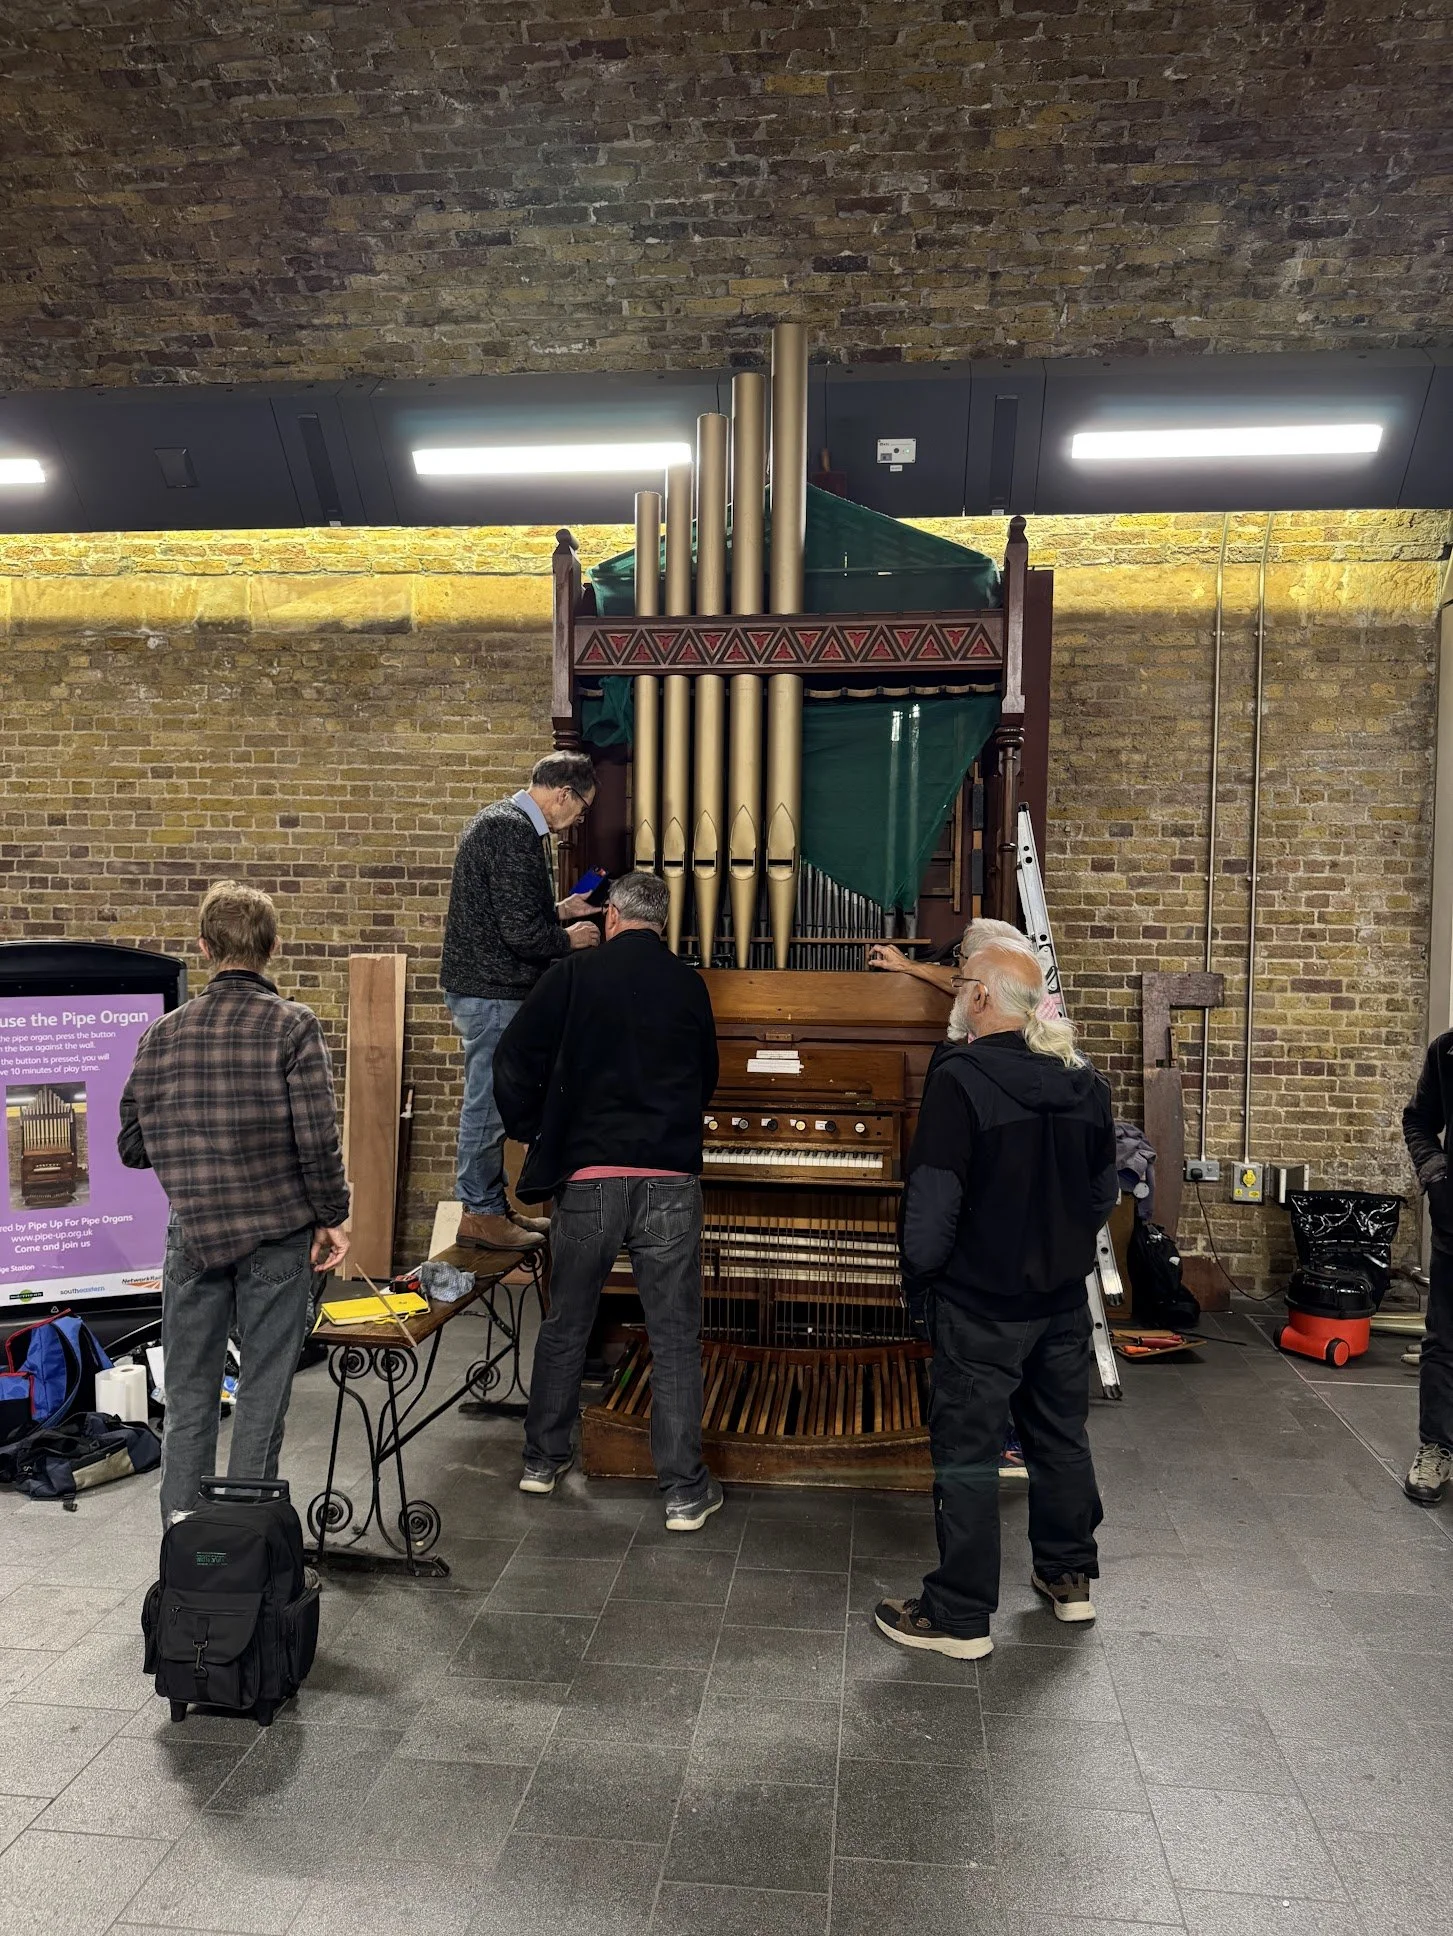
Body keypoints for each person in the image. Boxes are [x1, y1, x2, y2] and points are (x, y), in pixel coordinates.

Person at [875, 922, 1118, 1659]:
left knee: (968, 1454)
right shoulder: (1083, 1079)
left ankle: (957, 1617)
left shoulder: (961, 1077)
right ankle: (1068, 1579)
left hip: (979, 1303)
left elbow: (933, 1202)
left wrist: (920, 1283)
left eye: (959, 988)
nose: (955, 999)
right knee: (1059, 1441)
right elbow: (1103, 1192)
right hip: (1058, 1302)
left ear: (979, 998)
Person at [492, 870, 723, 1532]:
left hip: (589, 1179)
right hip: (669, 1181)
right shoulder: (689, 985)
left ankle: (542, 1461)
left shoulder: (571, 976)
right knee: (674, 1335)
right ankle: (683, 1492)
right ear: (660, 923)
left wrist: (537, 1127)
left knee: (567, 1323)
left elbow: (511, 1059)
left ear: (614, 919)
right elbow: (704, 1076)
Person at [118, 881, 351, 1526]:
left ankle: (183, 1548)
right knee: (261, 1396)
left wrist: (193, 1154)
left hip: (192, 1236)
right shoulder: (293, 1026)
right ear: (272, 949)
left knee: (189, 1399)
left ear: (202, 947)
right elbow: (318, 1140)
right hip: (277, 1238)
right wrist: (332, 1216)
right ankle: (242, 1553)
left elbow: (132, 1146)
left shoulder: (161, 1036)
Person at [440, 750, 601, 1253]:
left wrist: (558, 909)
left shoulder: (500, 822)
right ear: (562, 793)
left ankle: (489, 1206)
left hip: (487, 986)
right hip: (491, 991)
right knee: (487, 1102)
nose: (578, 821)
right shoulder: (511, 831)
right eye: (582, 808)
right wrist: (569, 938)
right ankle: (480, 1216)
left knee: (490, 1099)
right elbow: (519, 934)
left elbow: (505, 912)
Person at [1400, 1037, 1453, 1503]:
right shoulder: (1448, 1052)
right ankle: (1437, 1447)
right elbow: (1418, 1119)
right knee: (1444, 1342)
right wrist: (1436, 1174)